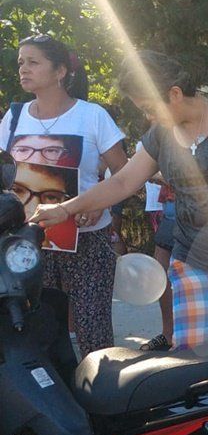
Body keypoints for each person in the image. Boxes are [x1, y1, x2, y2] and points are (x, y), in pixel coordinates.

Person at [31, 50, 208, 350]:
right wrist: (65, 209)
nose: (149, 117)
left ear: (175, 94)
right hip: (193, 258)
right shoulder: (161, 135)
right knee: (190, 355)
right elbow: (123, 180)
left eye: (151, 107)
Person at [1, 34, 127, 356]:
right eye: (20, 62)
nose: (23, 69)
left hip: (85, 239)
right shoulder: (15, 117)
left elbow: (124, 173)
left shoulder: (92, 116)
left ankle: (101, 399)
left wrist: (101, 205)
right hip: (30, 241)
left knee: (93, 330)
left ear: (60, 71)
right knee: (39, 328)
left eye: (33, 62)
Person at [141, 172, 176, 350]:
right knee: (161, 275)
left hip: (197, 220)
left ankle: (190, 340)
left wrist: (160, 174)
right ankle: (168, 334)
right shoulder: (167, 144)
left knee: (192, 281)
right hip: (169, 215)